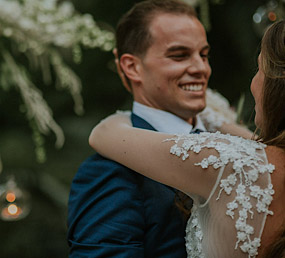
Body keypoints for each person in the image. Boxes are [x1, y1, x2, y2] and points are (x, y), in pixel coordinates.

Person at [84, 17, 285, 257]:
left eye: (259, 69)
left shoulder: (233, 163)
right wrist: (217, 118)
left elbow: (102, 134)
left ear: (276, 87)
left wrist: (126, 115)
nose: (254, 82)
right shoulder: (258, 160)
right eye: (179, 56)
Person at [66, 1, 221, 257]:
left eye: (203, 55)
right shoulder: (109, 171)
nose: (200, 68)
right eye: (179, 55)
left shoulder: (232, 148)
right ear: (132, 67)